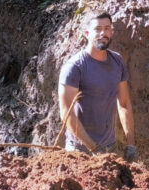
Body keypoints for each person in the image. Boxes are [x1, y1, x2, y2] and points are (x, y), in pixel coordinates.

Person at [58, 11, 137, 162]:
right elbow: (66, 113)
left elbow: (124, 104)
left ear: (112, 32)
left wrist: (131, 144)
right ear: (87, 33)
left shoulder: (117, 61)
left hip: (109, 148)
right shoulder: (75, 67)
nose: (103, 33)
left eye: (107, 28)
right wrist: (94, 149)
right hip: (79, 151)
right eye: (98, 29)